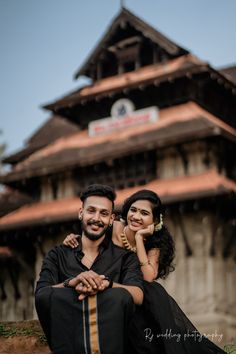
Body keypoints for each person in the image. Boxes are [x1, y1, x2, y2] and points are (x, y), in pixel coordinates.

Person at [64, 189, 226, 354]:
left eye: (144, 213)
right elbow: (92, 234)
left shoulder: (155, 242)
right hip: (109, 286)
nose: (136, 216)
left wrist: (140, 239)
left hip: (140, 295)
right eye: (133, 210)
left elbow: (149, 276)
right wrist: (74, 238)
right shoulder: (116, 226)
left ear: (154, 221)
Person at [35, 184, 144, 354]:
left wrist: (107, 284)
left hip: (114, 346)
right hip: (69, 344)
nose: (96, 218)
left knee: (120, 295)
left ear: (111, 219)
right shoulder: (58, 255)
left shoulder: (125, 257)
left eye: (104, 213)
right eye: (91, 210)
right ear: (81, 213)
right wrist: (72, 282)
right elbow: (41, 293)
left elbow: (138, 294)